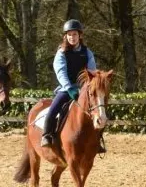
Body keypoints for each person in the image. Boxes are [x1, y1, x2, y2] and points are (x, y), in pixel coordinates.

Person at [41, 19, 105, 153]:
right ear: (65, 36)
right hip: (66, 89)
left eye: (75, 34)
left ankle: (97, 140)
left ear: (80, 35)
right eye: (69, 35)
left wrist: (86, 87)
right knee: (53, 110)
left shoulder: (87, 53)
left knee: (99, 111)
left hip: (84, 89)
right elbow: (60, 72)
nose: (72, 37)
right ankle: (46, 135)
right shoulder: (61, 53)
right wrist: (69, 88)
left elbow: (92, 72)